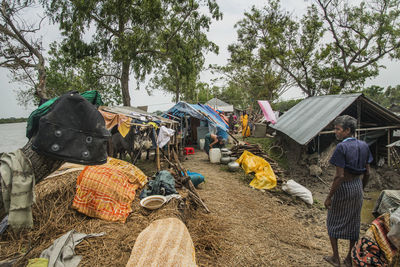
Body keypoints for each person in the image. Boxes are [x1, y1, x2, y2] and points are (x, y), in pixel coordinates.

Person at [324, 115, 373, 267]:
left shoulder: (342, 147)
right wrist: (361, 188)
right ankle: (349, 259)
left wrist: (329, 196)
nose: (335, 132)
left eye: (338, 129)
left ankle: (336, 258)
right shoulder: (364, 145)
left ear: (347, 130)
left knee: (332, 221)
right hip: (357, 186)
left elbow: (339, 176)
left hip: (343, 187)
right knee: (354, 223)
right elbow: (368, 173)